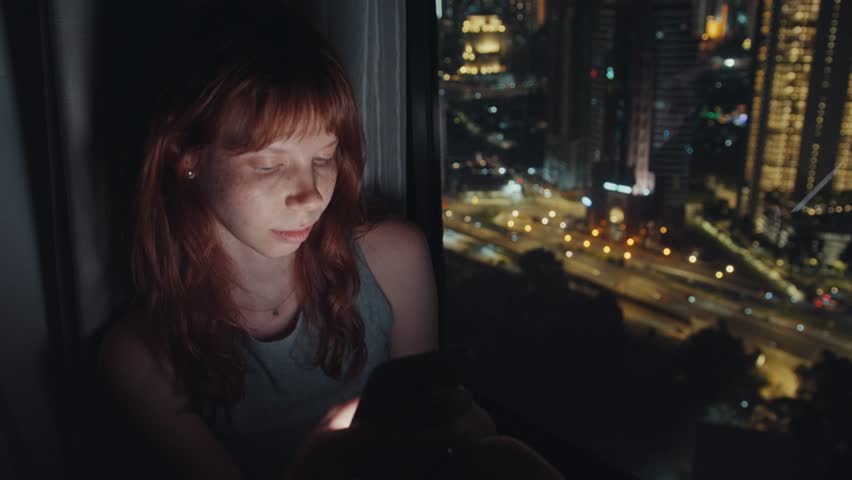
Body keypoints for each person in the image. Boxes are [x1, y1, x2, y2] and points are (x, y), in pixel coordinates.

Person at [98, 2, 563, 479]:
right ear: (187, 158)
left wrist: (465, 433)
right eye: (269, 165)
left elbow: (429, 433)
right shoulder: (142, 356)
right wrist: (322, 459)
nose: (311, 195)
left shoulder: (393, 259)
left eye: (324, 158)